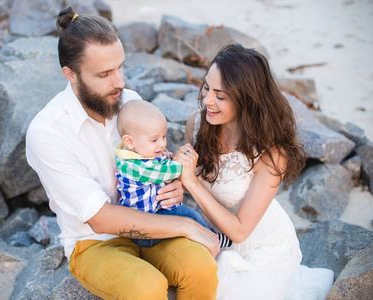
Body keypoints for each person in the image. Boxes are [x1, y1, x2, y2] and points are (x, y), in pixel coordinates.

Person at [25, 6, 220, 300]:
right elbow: (100, 218)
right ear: (70, 74)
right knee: (146, 287)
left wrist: (172, 188)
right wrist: (186, 225)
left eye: (120, 67)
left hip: (152, 220)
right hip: (94, 241)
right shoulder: (47, 132)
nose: (120, 82)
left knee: (201, 268)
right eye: (105, 73)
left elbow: (154, 159)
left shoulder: (129, 102)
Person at [174, 44, 334, 300]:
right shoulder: (197, 123)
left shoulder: (272, 153)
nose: (207, 101)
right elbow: (186, 177)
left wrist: (191, 183)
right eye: (206, 87)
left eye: (220, 95)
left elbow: (239, 231)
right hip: (216, 235)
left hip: (264, 247)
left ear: (246, 98)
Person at [115, 99, 232, 248]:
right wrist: (181, 164)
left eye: (164, 137)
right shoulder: (134, 167)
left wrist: (166, 156)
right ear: (130, 141)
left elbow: (157, 162)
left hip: (151, 218)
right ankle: (213, 237)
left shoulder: (132, 154)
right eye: (154, 140)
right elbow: (164, 172)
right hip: (145, 227)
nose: (163, 144)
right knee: (188, 214)